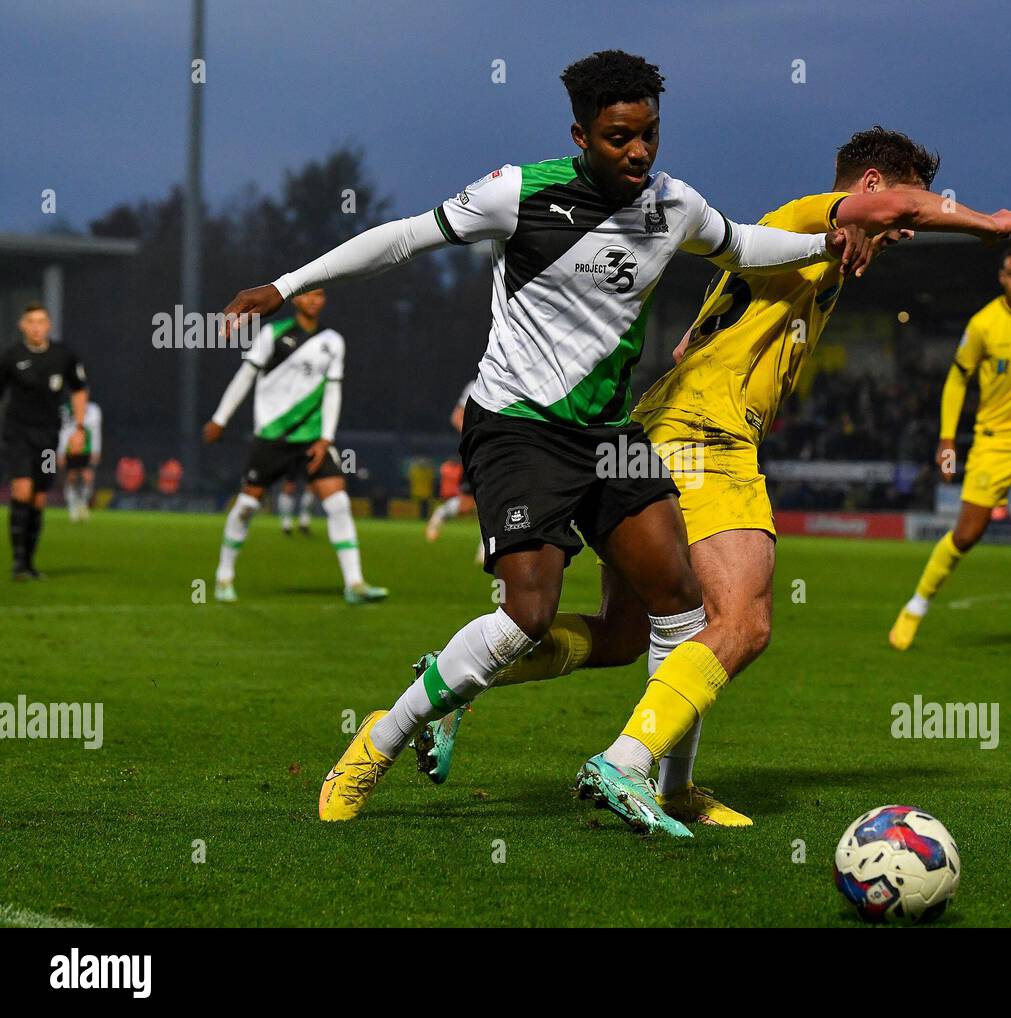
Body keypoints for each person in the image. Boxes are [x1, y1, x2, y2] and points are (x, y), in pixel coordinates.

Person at [219, 49, 877, 836]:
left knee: (680, 600)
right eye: (619, 137)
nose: (639, 152)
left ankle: (669, 785)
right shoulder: (516, 193)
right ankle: (377, 741)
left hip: (607, 434)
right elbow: (398, 239)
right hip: (518, 430)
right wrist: (284, 286)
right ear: (581, 135)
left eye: (649, 135)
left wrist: (820, 246)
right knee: (530, 613)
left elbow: (740, 245)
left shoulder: (673, 205)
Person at [414, 126, 1011, 828]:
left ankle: (463, 677)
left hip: (667, 423)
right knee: (742, 621)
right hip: (706, 435)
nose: (909, 229)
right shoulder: (809, 216)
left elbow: (690, 342)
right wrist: (987, 225)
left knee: (625, 635)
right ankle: (627, 764)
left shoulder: (812, 260)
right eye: (906, 207)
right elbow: (896, 213)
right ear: (868, 190)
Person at [889, 246, 1011, 657]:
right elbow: (958, 379)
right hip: (994, 440)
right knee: (967, 534)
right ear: (1002, 278)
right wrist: (946, 438)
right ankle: (915, 607)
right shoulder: (983, 324)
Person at [203, 288, 387, 605]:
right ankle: (223, 576)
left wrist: (326, 437)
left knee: (339, 503)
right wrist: (221, 417)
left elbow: (333, 392)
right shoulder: (273, 333)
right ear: (297, 299)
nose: (314, 300)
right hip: (272, 437)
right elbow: (245, 377)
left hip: (312, 440)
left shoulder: (333, 341)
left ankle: (354, 584)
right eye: (308, 295)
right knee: (247, 507)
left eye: (320, 295)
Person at [0, 302, 88, 579]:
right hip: (17, 434)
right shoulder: (10, 357)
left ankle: (28, 562)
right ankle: (17, 563)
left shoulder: (64, 356)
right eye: (31, 322)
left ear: (48, 325)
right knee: (22, 491)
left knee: (39, 498)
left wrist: (79, 428)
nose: (36, 327)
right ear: (22, 326)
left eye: (41, 321)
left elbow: (79, 389)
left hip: (49, 437)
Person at [424, 380, 483, 564]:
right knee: (467, 504)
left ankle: (486, 551)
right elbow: (457, 417)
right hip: (478, 451)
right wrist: (474, 438)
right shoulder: (478, 383)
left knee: (496, 498)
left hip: (502, 453)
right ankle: (440, 513)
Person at [59, 394, 103, 522]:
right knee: (71, 476)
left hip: (87, 449)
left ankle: (83, 504)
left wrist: (96, 450)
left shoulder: (94, 410)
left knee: (87, 476)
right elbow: (62, 432)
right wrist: (61, 452)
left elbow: (96, 432)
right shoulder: (65, 410)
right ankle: (72, 507)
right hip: (70, 449)